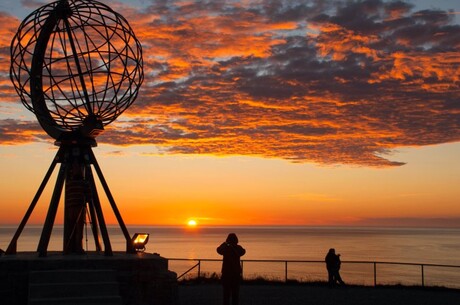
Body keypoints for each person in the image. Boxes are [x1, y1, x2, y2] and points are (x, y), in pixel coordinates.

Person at [217, 233, 246, 305]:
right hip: (236, 273)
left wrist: (225, 243)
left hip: (226, 273)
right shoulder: (238, 248)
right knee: (235, 294)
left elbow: (218, 250)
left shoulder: (226, 249)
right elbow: (243, 251)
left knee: (226, 294)